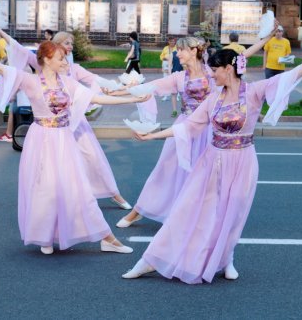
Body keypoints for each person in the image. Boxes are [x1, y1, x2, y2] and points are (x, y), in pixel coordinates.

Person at [121, 36, 302, 285]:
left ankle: (226, 258)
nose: (211, 75)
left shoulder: (255, 92)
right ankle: (150, 260)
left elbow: (289, 75)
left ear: (228, 69)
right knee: (186, 208)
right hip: (211, 162)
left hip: (243, 163)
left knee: (232, 216)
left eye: (214, 70)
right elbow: (191, 126)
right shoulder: (213, 98)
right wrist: (152, 136)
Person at [0, 23, 151, 255]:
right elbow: (0, 68)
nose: (65, 62)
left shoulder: (68, 83)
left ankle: (107, 238)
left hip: (64, 140)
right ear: (47, 60)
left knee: (78, 188)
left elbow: (98, 98)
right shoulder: (30, 81)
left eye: (65, 58)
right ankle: (45, 237)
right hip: (40, 139)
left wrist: (132, 99)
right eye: (61, 58)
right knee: (44, 188)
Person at [109, 25, 278, 229]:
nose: (177, 53)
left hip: (210, 131)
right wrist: (114, 93)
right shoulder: (179, 77)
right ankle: (138, 211)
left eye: (180, 50)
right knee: (165, 170)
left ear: (193, 51)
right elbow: (148, 88)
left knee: (205, 176)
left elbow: (243, 55)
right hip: (185, 127)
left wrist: (268, 36)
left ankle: (196, 215)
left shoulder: (213, 71)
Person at [0, 21, 134, 210]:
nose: (70, 47)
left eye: (71, 45)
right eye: (66, 44)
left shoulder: (74, 69)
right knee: (51, 167)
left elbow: (97, 81)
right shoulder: (44, 65)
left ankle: (114, 194)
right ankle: (54, 204)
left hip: (75, 120)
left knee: (93, 157)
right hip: (50, 124)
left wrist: (124, 89)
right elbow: (17, 47)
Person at [160, 37, 180, 113]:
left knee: (175, 82)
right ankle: (166, 95)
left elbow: (177, 55)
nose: (172, 42)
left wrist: (168, 57)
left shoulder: (176, 48)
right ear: (168, 42)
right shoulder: (165, 48)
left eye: (173, 41)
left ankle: (177, 95)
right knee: (166, 81)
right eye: (170, 41)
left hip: (174, 66)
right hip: (166, 66)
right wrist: (163, 58)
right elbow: (161, 56)